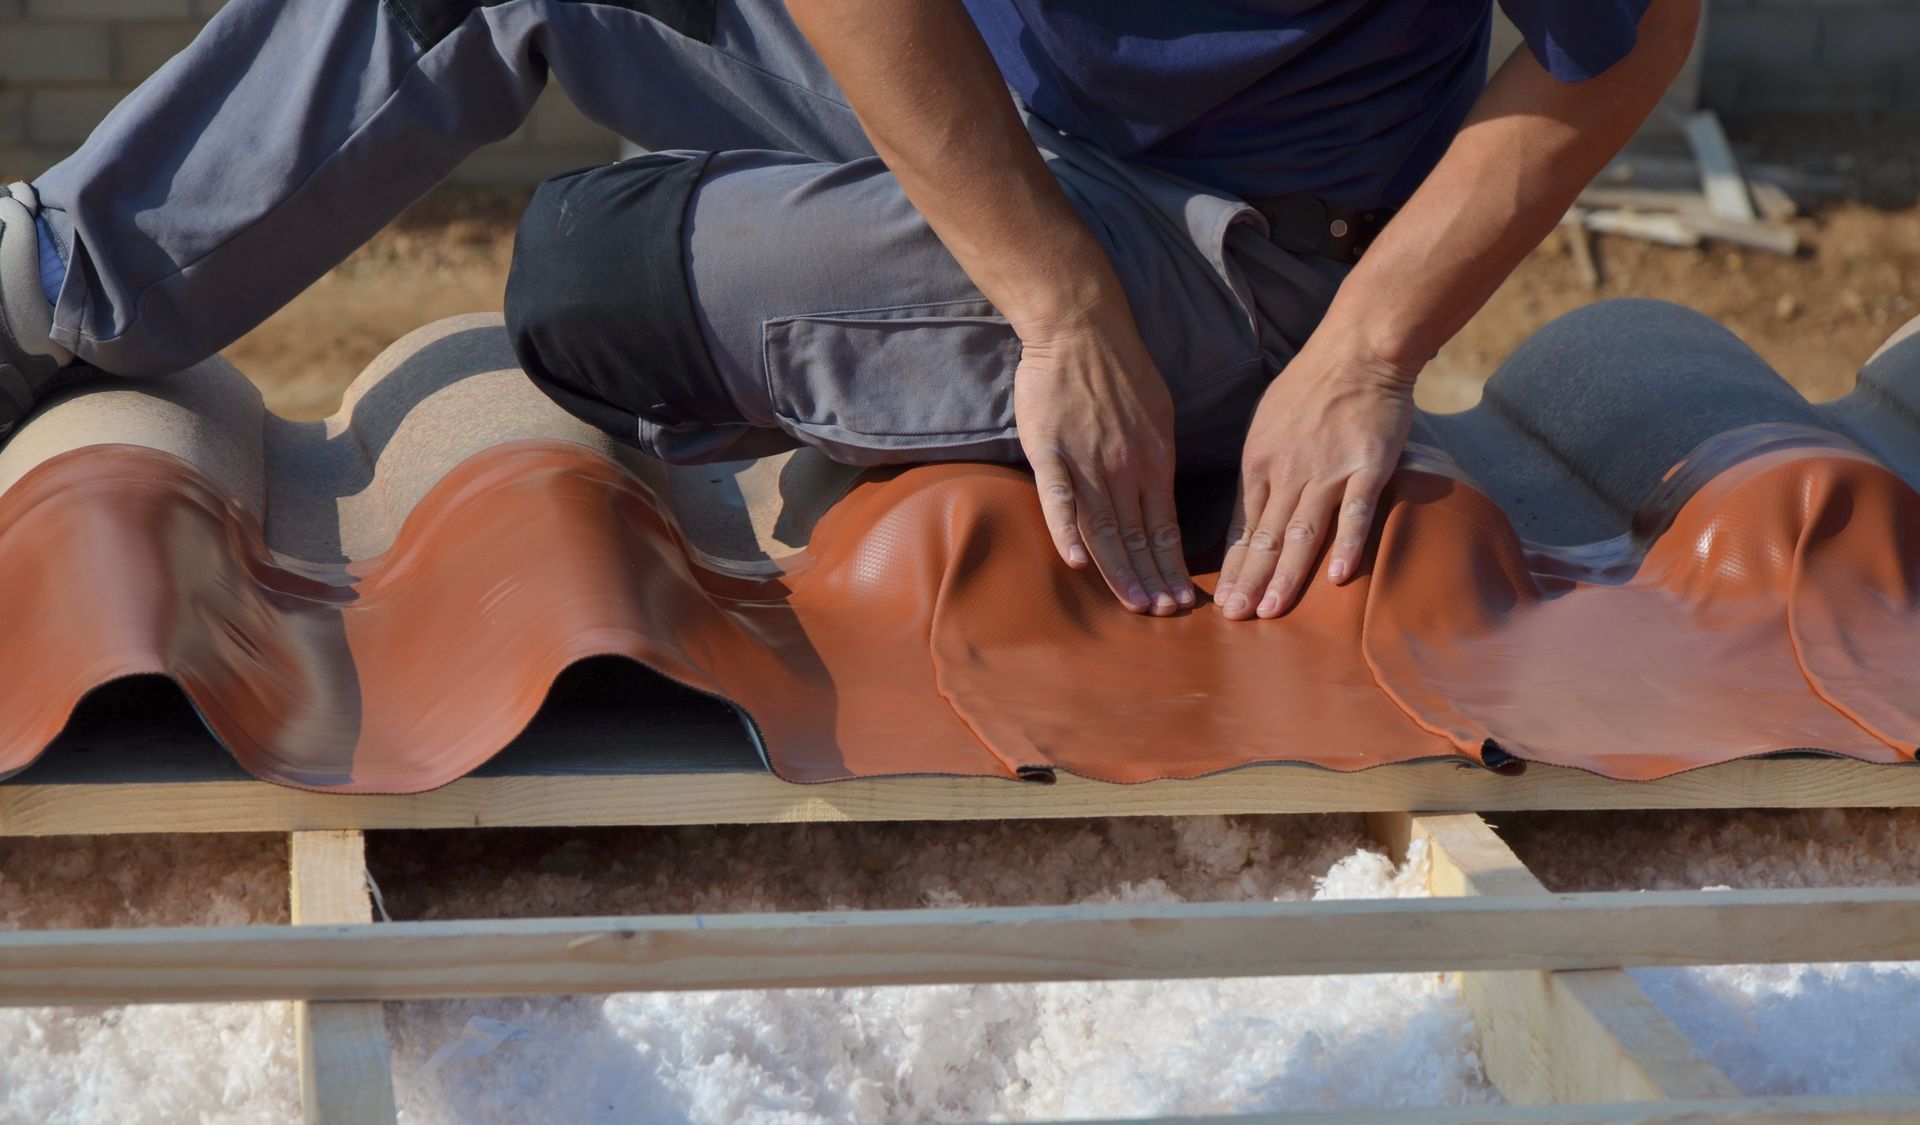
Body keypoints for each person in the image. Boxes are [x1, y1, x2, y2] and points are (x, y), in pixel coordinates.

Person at [0, 0, 1698, 620]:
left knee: (591, 277)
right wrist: (1046, 294)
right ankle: (54, 290)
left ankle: (955, 351)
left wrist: (1364, 350)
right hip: (1006, 143)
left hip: (1227, 250)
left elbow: (1632, 37)